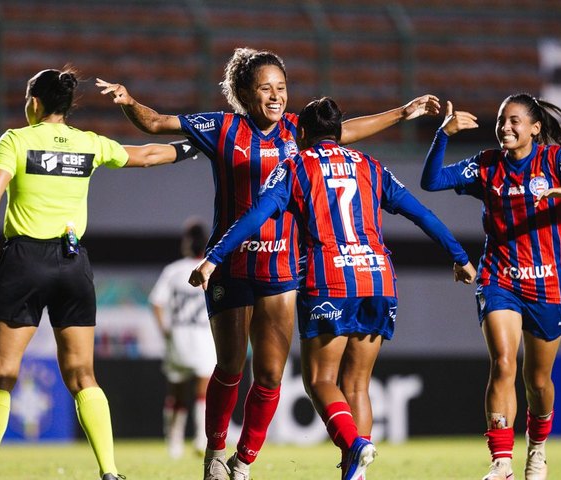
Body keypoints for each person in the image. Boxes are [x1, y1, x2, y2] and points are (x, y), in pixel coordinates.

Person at [97, 47, 442, 480]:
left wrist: (403, 113)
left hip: (281, 271)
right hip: (232, 266)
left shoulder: (300, 129)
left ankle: (244, 463)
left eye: (281, 87)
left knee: (270, 375)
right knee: (228, 368)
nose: (276, 96)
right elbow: (156, 123)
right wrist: (130, 103)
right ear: (244, 92)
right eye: (266, 88)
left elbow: (348, 130)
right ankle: (215, 456)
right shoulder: (222, 128)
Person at [188, 97, 477, 480]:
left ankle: (355, 446)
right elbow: (420, 212)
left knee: (320, 381)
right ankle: (354, 472)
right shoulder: (371, 166)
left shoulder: (295, 165)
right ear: (340, 132)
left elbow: (256, 215)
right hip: (378, 278)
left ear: (301, 134)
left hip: (330, 280)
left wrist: (215, 257)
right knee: (357, 384)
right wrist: (459, 256)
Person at [0, 66, 197, 480]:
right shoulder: (88, 144)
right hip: (72, 264)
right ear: (68, 105)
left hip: (24, 261)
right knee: (83, 374)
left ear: (34, 102)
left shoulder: (16, 139)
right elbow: (145, 155)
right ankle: (109, 471)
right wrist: (198, 145)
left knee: (2, 374)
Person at [420, 95, 561, 480]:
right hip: (500, 279)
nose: (505, 128)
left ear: (534, 128)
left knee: (538, 381)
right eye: (500, 121)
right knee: (504, 362)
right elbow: (431, 181)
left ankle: (538, 449)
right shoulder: (486, 166)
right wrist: (442, 136)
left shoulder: (555, 162)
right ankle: (501, 462)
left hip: (548, 285)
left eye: (514, 121)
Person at [149, 218, 216, 459]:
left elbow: (156, 301)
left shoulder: (174, 270)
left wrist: (165, 329)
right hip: (204, 337)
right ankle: (201, 438)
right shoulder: (211, 268)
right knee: (203, 392)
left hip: (178, 337)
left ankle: (174, 443)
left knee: (176, 394)